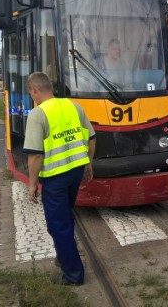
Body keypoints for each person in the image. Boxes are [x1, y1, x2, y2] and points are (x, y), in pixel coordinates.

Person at [23, 72, 96, 286]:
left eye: (30, 91)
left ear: (34, 90)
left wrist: (31, 183)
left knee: (58, 225)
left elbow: (35, 154)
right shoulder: (73, 106)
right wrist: (88, 163)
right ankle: (63, 255)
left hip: (55, 178)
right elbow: (91, 138)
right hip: (75, 172)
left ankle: (73, 275)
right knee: (63, 219)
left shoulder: (38, 114)